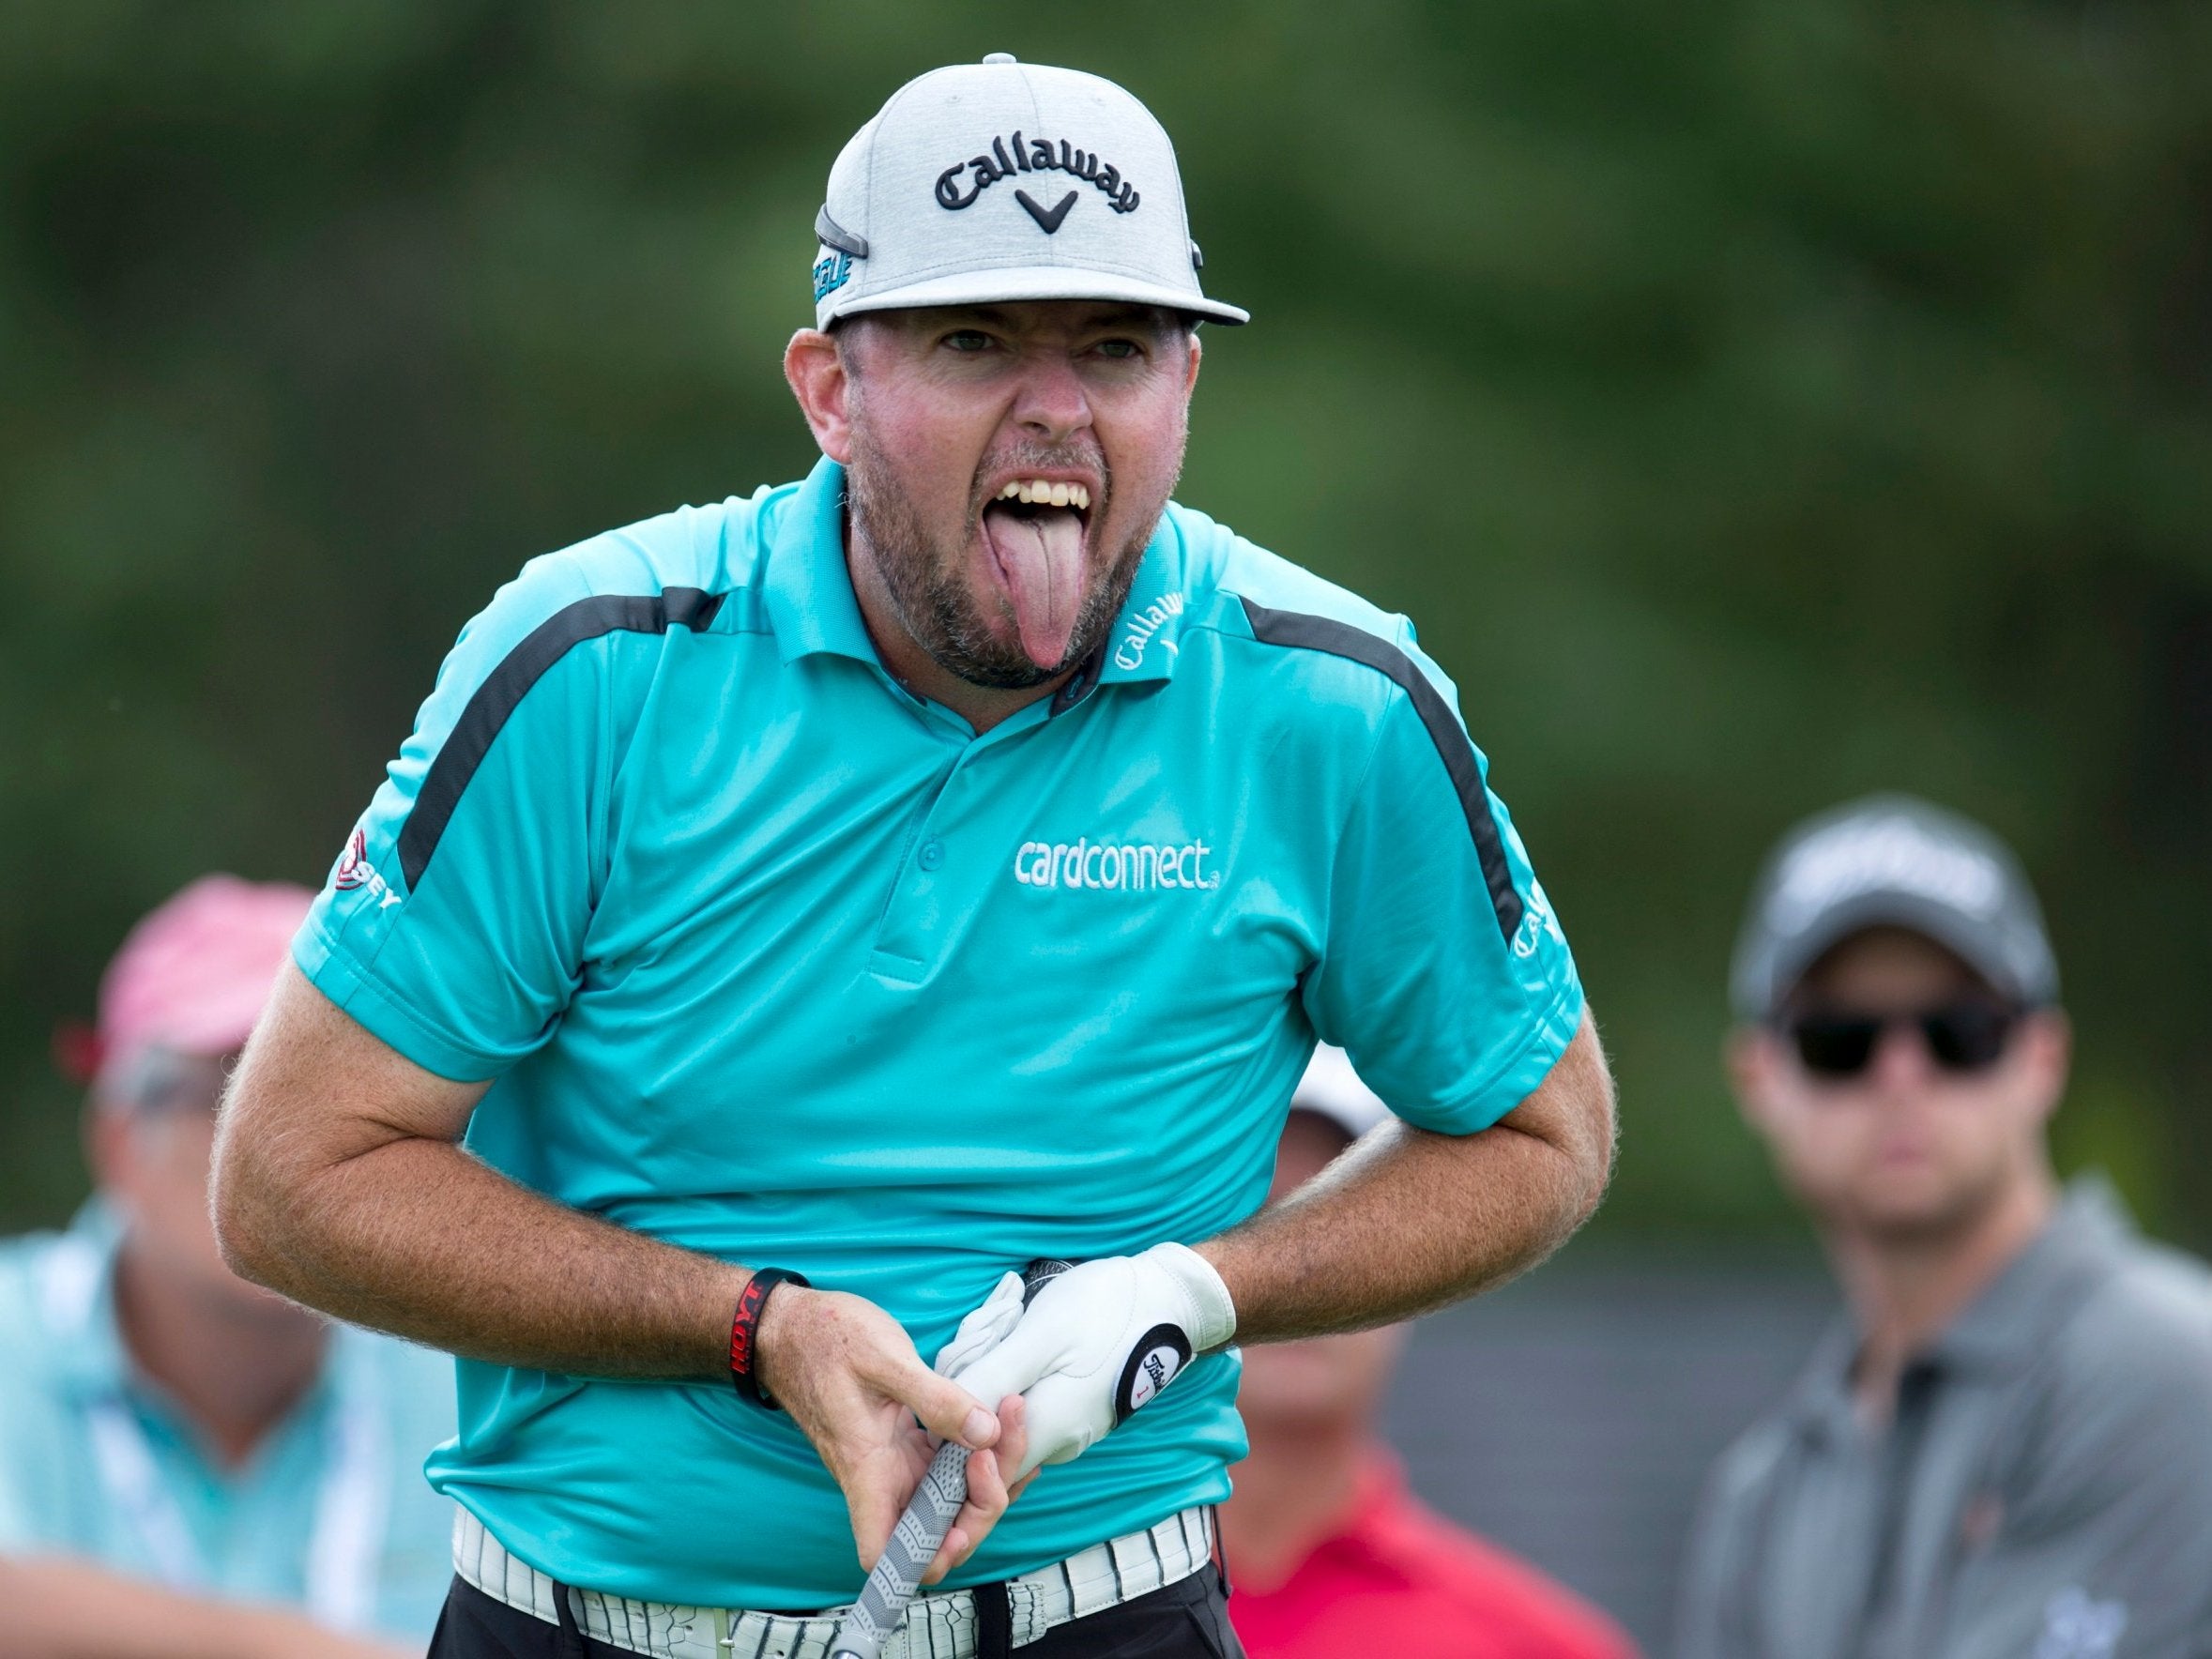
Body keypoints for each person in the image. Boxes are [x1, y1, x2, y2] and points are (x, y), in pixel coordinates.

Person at [211, 53, 1616, 1659]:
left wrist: (1200, 1291)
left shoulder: (1329, 705)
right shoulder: (592, 667)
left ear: (1184, 387)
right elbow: (290, 1179)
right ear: (828, 389)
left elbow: (1539, 1132)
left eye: (1116, 345)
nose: (1057, 407)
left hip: (1099, 1621)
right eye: (973, 342)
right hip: (583, 1628)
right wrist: (754, 1330)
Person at [1678, 795, 2212, 1659]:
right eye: (1839, 1039)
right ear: (1757, 1079)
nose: (1900, 1074)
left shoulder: (2173, 1378)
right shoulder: (1762, 1496)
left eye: (1958, 1032)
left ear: (2043, 1059)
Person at [0, 875, 458, 1658]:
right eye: (223, 1090)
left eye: (334, 1094)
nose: (282, 1144)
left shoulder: (465, 1379)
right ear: (117, 1143)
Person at [1224, 1045, 1638, 1659]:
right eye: (1252, 1214)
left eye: (1344, 1219)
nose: (1299, 1270)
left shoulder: (1542, 1647)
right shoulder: (1053, 1608)